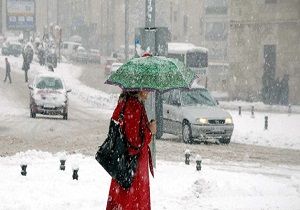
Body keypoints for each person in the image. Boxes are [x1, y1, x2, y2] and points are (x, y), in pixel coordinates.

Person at [106, 90, 157, 210]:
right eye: (146, 88)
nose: (148, 92)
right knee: (132, 202)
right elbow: (134, 141)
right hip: (134, 167)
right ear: (137, 89)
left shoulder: (126, 102)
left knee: (122, 200)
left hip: (124, 164)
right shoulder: (134, 105)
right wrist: (150, 131)